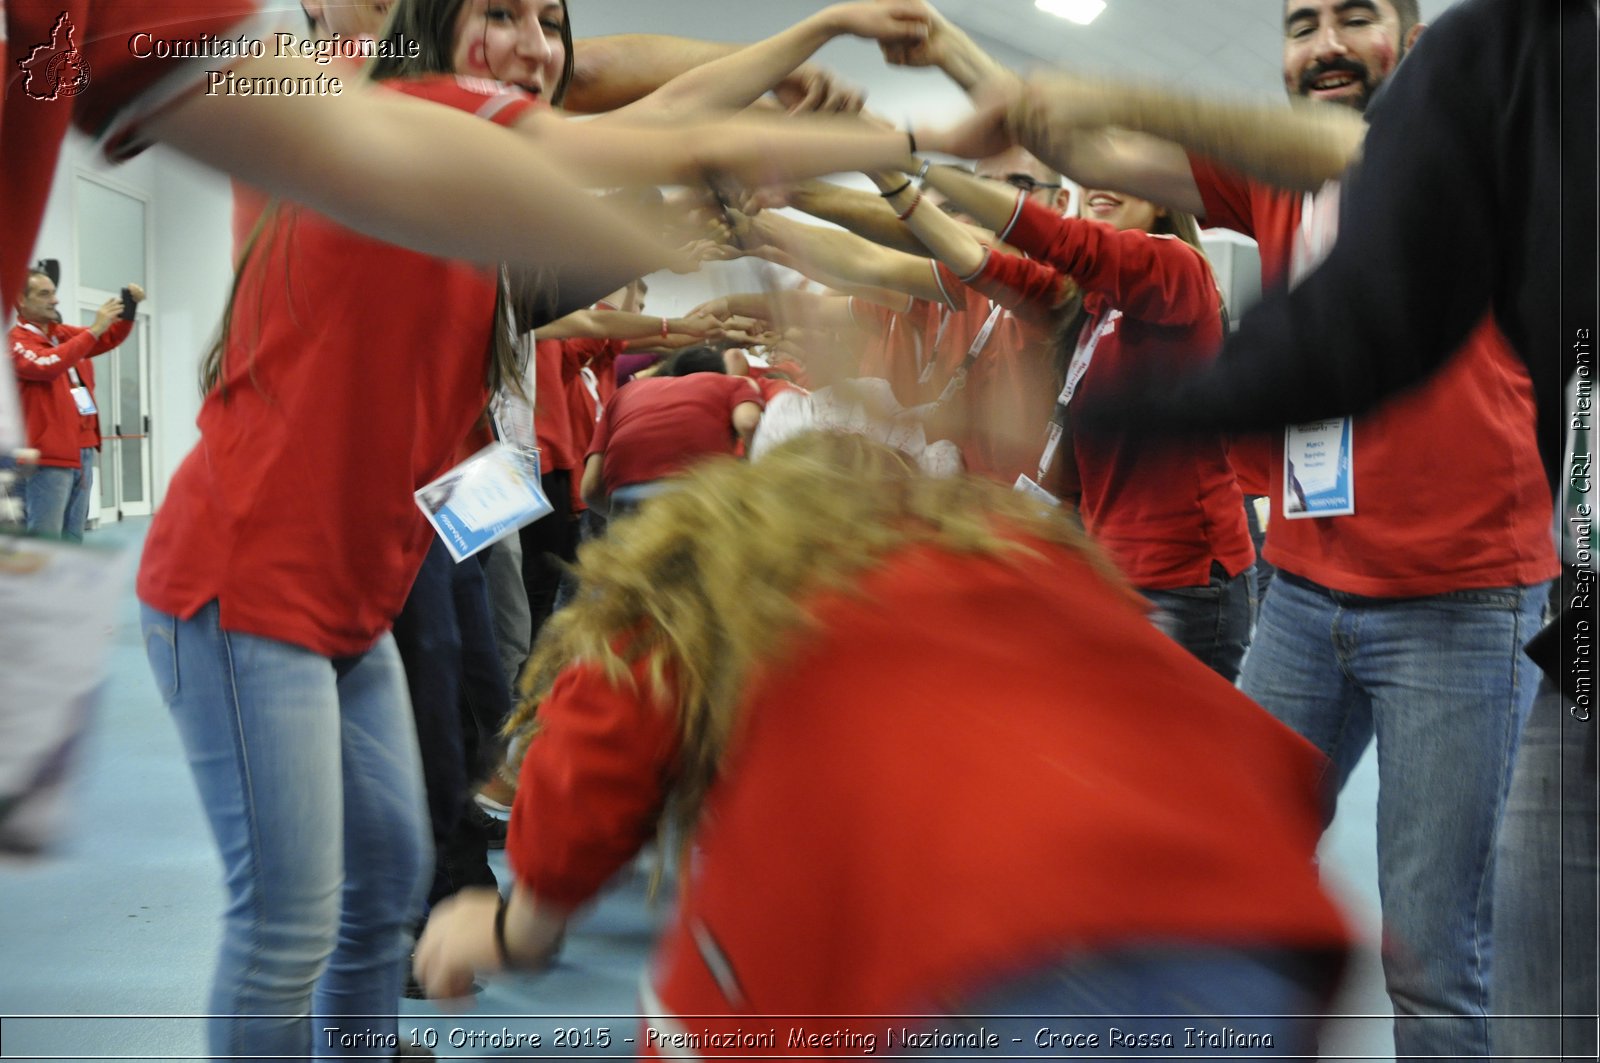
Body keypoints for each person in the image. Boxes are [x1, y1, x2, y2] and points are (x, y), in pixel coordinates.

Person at [919, 0, 1563, 1056]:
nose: (1323, 47)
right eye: (1300, 25)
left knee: (1433, 961)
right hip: (1305, 592)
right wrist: (948, 46)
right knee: (1216, 869)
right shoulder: (1272, 179)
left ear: (1411, 36)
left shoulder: (1478, 140)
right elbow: (1087, 154)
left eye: (1354, 18)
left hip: (1461, 605)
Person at [414, 433, 1351, 1052]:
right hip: (1248, 939)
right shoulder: (1012, 555)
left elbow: (592, 764)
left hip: (999, 959)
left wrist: (506, 930)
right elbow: (1248, 747)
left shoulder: (702, 586)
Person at [869, 158, 1255, 680]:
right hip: (1111, 563)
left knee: (1182, 753)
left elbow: (1071, 244)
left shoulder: (1176, 265)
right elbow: (984, 264)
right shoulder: (1088, 300)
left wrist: (922, 164)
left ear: (1162, 197)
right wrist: (889, 180)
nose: (1101, 182)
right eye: (1090, 169)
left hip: (1182, 576)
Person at [8, 270, 141, 541]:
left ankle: (66, 584)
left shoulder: (60, 334)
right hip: (47, 457)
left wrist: (129, 308)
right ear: (21, 300)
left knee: (73, 537)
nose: (55, 300)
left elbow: (108, 337)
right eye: (44, 294)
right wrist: (94, 329)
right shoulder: (16, 341)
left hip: (80, 449)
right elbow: (46, 364)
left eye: (54, 292)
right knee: (45, 539)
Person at [580, 347, 764, 515]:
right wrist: (748, 484)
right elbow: (749, 422)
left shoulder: (624, 393)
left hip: (628, 497)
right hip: (698, 492)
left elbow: (590, 489)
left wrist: (617, 518)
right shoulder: (729, 383)